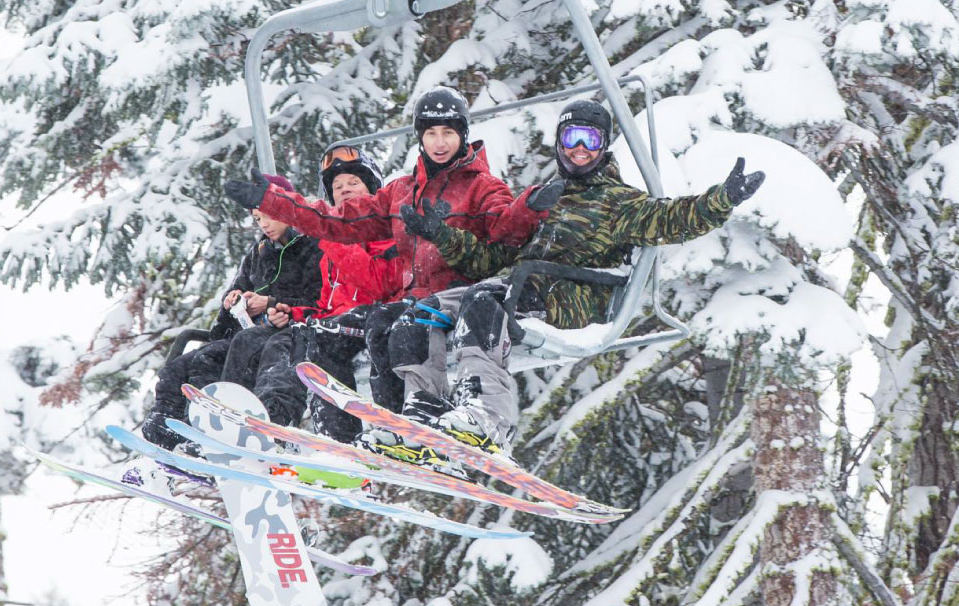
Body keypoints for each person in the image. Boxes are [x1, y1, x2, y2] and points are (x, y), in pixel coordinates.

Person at [388, 99, 765, 460]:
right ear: (559, 144)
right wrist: (442, 235)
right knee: (421, 314)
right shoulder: (546, 196)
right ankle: (423, 407)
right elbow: (494, 257)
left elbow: (675, 218)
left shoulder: (619, 202)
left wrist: (722, 199)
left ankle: (487, 416)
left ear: (604, 146)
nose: (580, 149)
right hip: (519, 286)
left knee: (485, 302)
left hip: (571, 298)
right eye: (572, 139)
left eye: (592, 140)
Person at [224, 87, 557, 468]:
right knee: (331, 332)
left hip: (457, 295)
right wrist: (273, 201)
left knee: (395, 320)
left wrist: (529, 208)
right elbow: (336, 220)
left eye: (448, 133)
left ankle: (414, 417)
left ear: (463, 134)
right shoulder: (401, 192)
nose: (440, 143)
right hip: (411, 300)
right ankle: (345, 444)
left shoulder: (482, 187)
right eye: (431, 133)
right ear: (420, 136)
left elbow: (505, 230)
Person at [225, 147, 404, 443]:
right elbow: (325, 306)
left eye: (353, 183)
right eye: (338, 187)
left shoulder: (385, 231)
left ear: (372, 186)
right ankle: (244, 420)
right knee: (280, 337)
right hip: (337, 323)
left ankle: (299, 429)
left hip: (379, 318)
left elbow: (376, 286)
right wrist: (292, 314)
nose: (345, 189)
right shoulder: (331, 250)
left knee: (310, 340)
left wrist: (333, 238)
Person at [139, 174, 323, 451]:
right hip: (253, 330)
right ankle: (172, 424)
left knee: (246, 346)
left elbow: (321, 297)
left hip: (287, 329)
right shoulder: (260, 252)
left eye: (269, 216)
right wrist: (233, 302)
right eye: (258, 218)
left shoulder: (313, 246)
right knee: (197, 359)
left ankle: (230, 427)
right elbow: (237, 289)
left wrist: (272, 301)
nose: (264, 224)